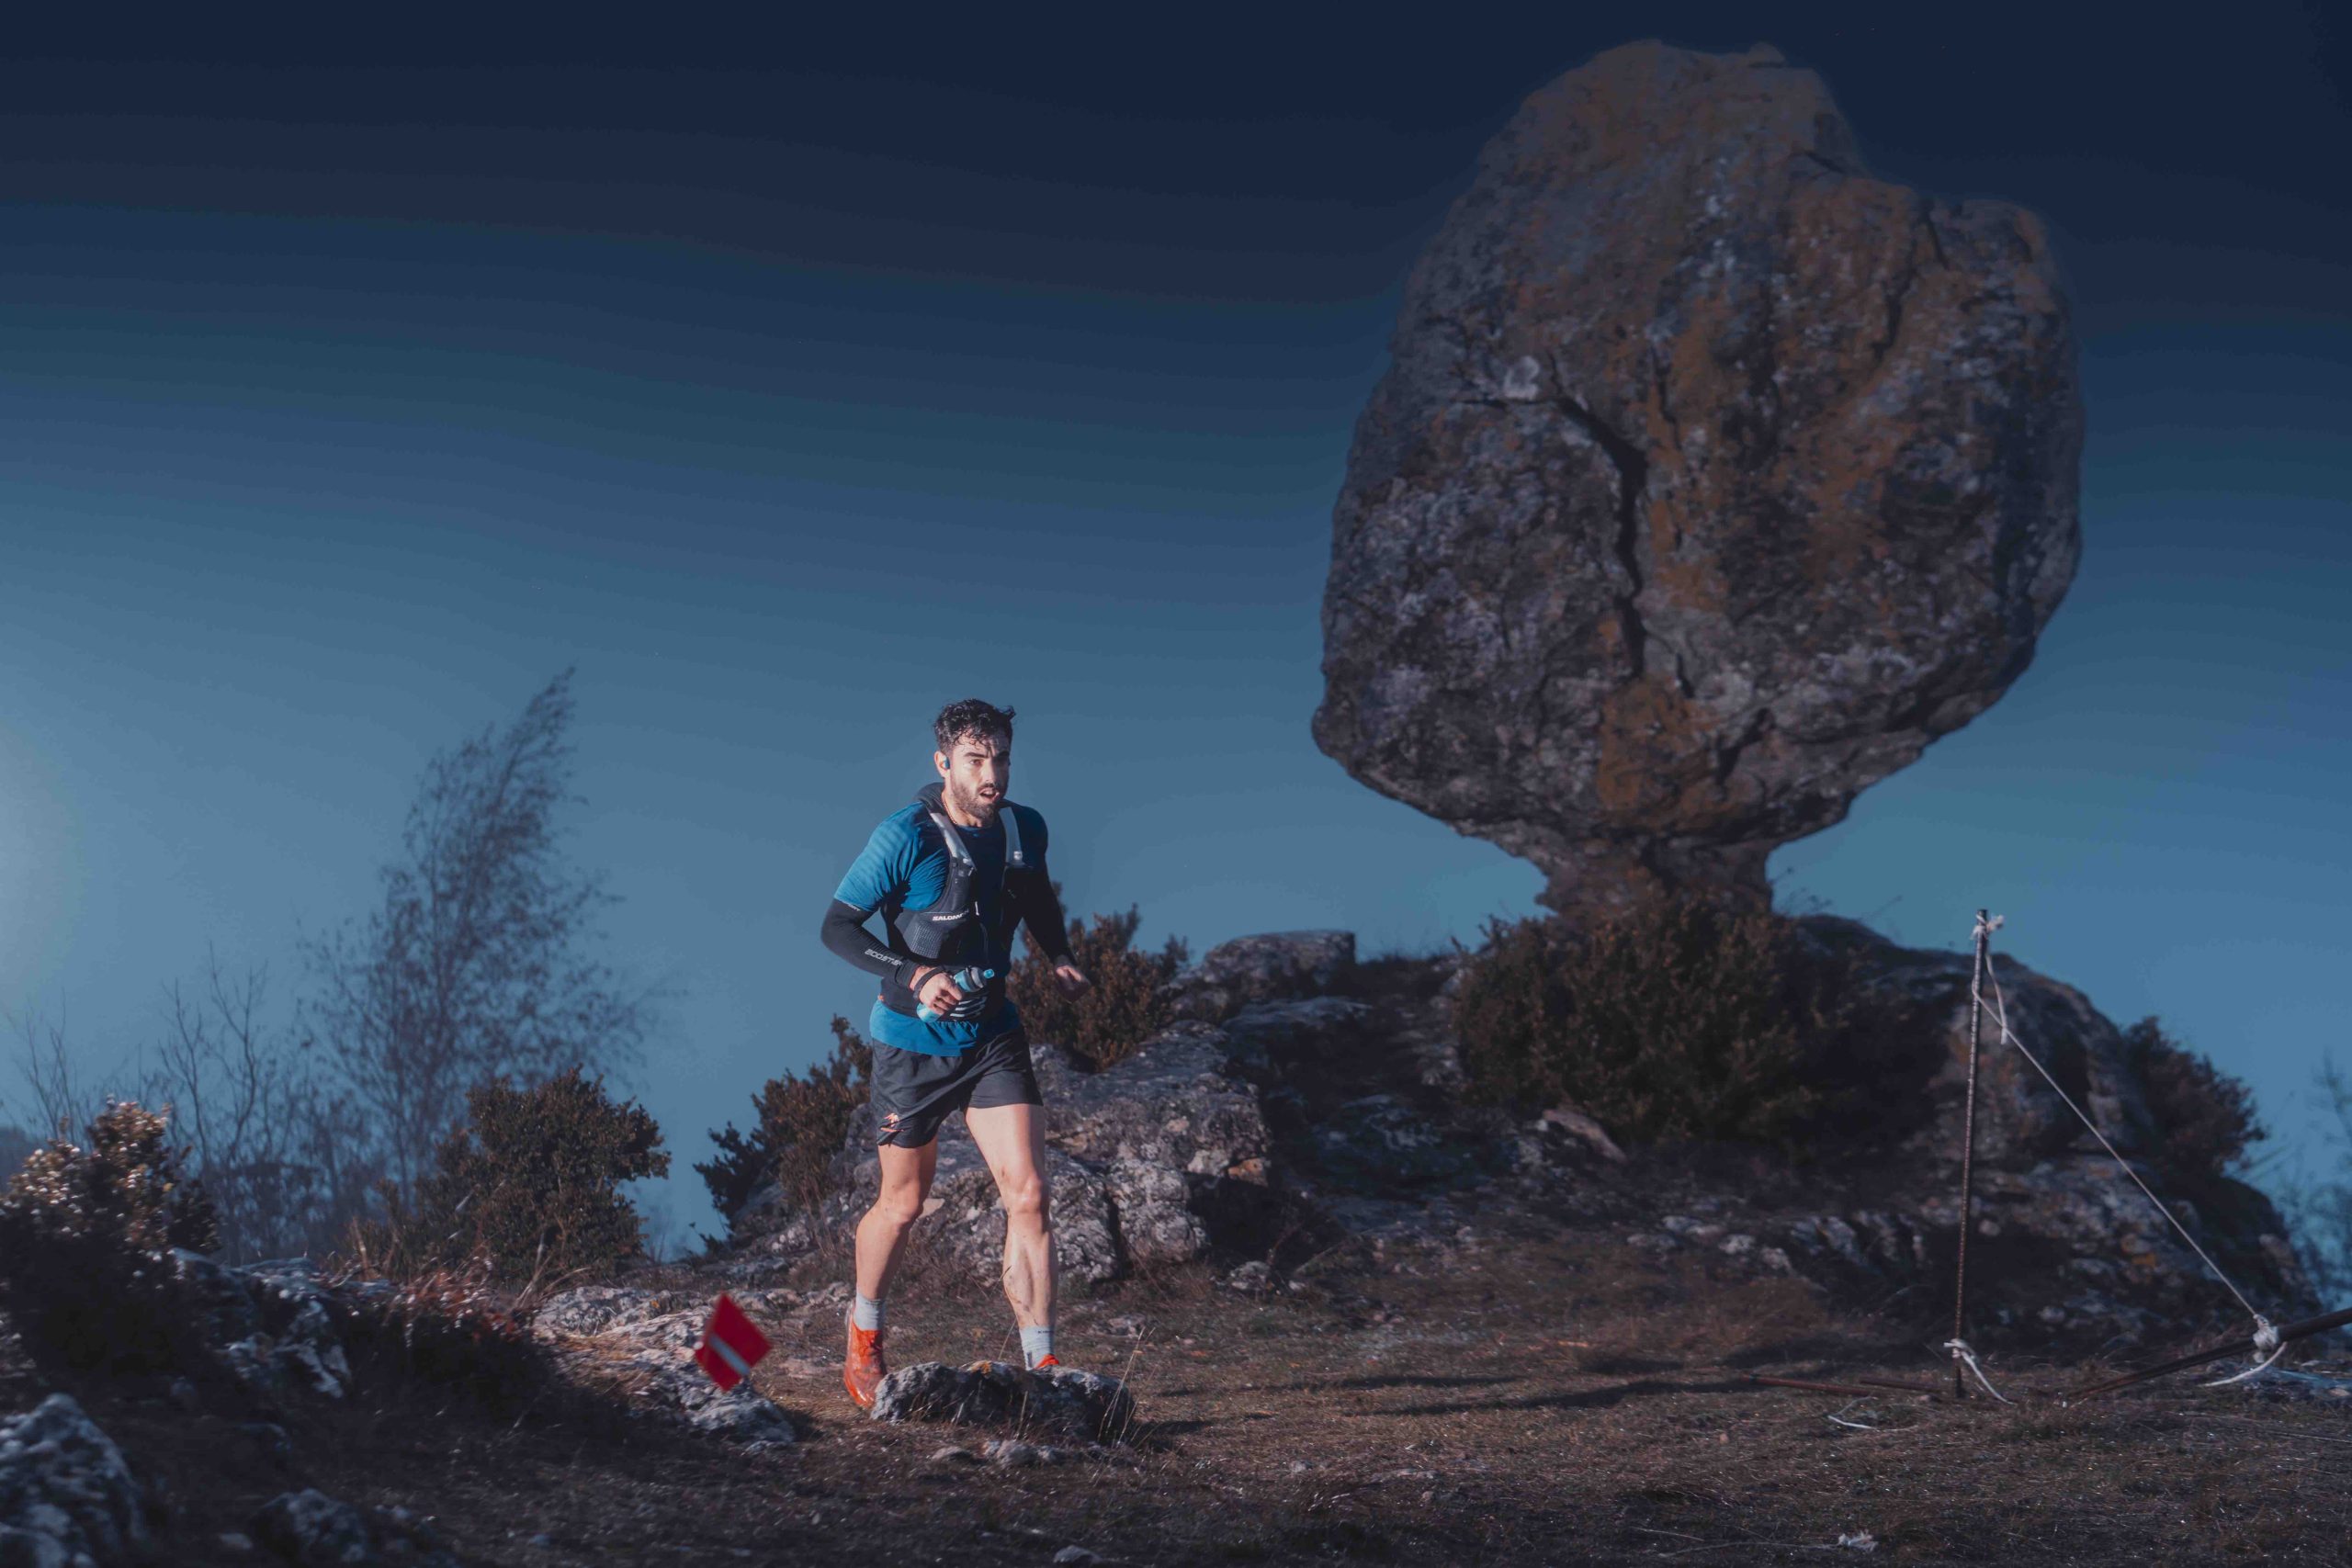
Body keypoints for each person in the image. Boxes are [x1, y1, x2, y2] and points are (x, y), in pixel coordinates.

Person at [818, 698, 1090, 1408]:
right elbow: (837, 926)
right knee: (903, 1202)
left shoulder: (1023, 828)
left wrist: (1059, 955)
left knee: (1029, 1193)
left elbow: (1035, 895)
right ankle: (864, 1331)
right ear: (943, 763)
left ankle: (1042, 1363)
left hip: (992, 1034)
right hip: (911, 1045)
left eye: (1001, 757)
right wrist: (916, 974)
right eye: (975, 760)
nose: (992, 773)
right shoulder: (904, 835)